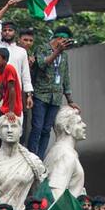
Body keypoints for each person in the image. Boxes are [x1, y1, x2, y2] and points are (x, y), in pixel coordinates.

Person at [27, 25, 79, 159]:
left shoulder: (65, 56)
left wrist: (70, 100)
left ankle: (40, 157)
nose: (67, 45)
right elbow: (43, 64)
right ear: (59, 39)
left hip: (55, 97)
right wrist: (57, 51)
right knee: (37, 127)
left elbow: (65, 77)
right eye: (65, 42)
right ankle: (31, 156)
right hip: (41, 95)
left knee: (46, 129)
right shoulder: (42, 48)